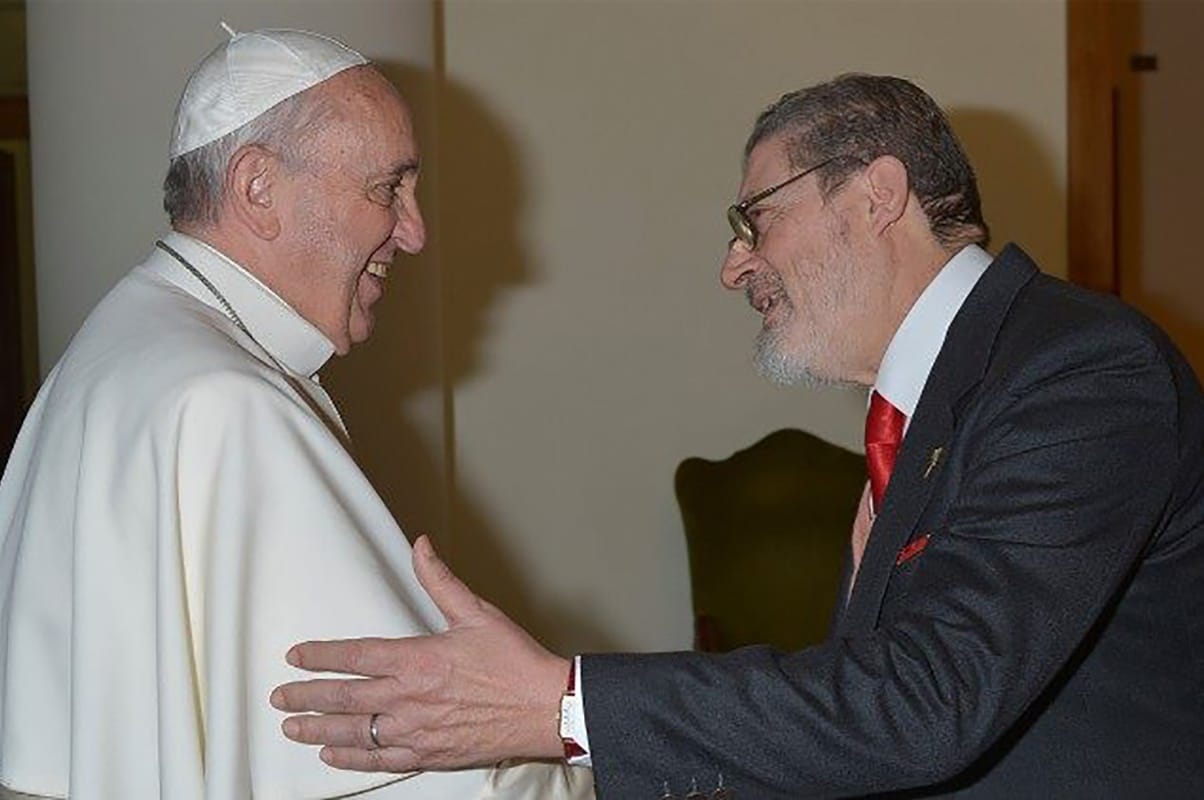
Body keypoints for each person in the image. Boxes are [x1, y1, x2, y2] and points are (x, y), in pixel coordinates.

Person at [271, 74, 1204, 798]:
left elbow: (931, 702)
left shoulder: (1081, 370)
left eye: (755, 218)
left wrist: (557, 704)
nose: (733, 266)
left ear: (878, 194)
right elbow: (866, 717)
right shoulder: (939, 405)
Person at [0, 26, 590, 800]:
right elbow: (429, 776)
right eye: (388, 189)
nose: (414, 233)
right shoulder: (225, 402)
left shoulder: (122, 342)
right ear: (257, 189)